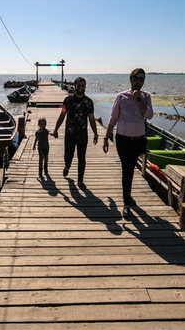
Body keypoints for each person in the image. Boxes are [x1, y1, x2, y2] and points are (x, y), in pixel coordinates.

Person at [103, 68, 154, 219]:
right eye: (136, 78)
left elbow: (149, 116)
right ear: (130, 79)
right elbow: (113, 119)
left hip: (138, 140)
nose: (139, 81)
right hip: (123, 140)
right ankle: (126, 202)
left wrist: (139, 100)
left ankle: (128, 197)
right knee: (127, 169)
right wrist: (106, 138)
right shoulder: (121, 97)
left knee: (130, 168)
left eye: (141, 79)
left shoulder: (146, 96)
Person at [53, 77, 98, 188]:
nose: (81, 88)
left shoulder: (88, 102)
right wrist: (56, 129)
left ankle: (80, 180)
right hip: (70, 133)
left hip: (82, 133)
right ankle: (67, 166)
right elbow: (62, 115)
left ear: (85, 87)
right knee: (68, 155)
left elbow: (91, 119)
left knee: (81, 157)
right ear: (74, 86)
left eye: (83, 86)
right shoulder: (67, 100)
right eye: (78, 85)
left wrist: (96, 133)